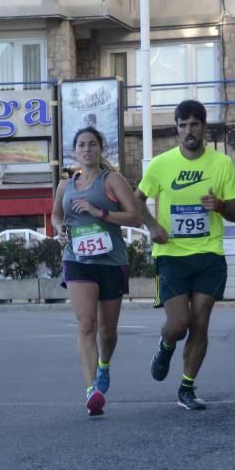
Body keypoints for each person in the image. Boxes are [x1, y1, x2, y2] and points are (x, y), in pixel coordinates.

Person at [136, 99, 235, 410]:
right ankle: (166, 343)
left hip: (208, 254)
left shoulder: (221, 164)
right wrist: (152, 225)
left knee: (200, 322)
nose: (188, 130)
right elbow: (137, 198)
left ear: (204, 127)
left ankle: (187, 387)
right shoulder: (161, 164)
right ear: (177, 129)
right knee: (178, 324)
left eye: (194, 124)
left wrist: (221, 206)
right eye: (182, 125)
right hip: (171, 255)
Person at [51, 127, 140, 416]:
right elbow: (56, 214)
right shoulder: (66, 186)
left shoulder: (112, 180)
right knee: (86, 325)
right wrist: (60, 228)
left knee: (107, 332)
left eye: (92, 144)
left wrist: (99, 212)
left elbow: (135, 216)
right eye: (81, 145)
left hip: (111, 260)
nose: (87, 149)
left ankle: (104, 365)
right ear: (74, 151)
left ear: (101, 149)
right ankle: (92, 391)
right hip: (77, 259)